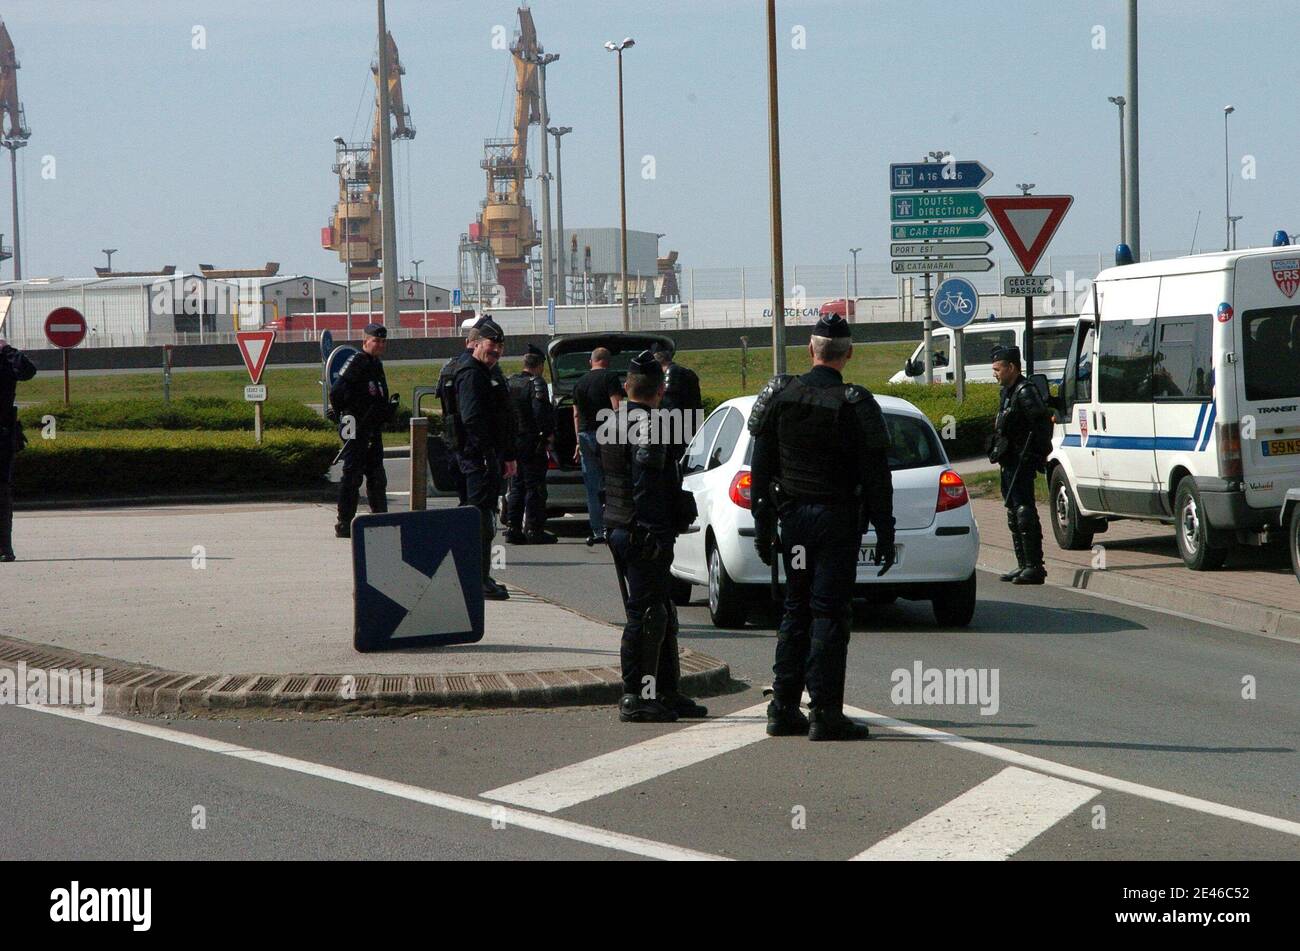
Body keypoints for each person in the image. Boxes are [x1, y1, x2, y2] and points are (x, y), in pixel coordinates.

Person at [749, 313, 895, 741]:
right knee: (829, 612)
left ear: (810, 350)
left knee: (796, 608)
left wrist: (762, 524)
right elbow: (876, 475)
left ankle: (783, 708)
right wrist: (884, 530)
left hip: (793, 522)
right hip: (836, 523)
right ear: (848, 354)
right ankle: (826, 712)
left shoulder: (780, 394)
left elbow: (759, 466)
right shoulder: (856, 402)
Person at [601, 351, 706, 723]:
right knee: (646, 615)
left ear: (628, 387)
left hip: (621, 525)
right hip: (641, 530)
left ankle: (665, 691)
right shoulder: (653, 425)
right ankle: (638, 695)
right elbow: (646, 483)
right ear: (660, 389)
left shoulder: (612, 422)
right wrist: (652, 529)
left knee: (660, 612)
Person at [451, 316, 516, 601]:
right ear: (476, 344)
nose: (497, 351)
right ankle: (477, 579)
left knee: (480, 519)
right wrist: (488, 454)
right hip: (477, 458)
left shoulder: (485, 370)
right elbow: (473, 419)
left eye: (500, 346)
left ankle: (477, 576)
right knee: (479, 520)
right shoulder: (471, 373)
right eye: (492, 345)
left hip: (485, 456)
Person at [990, 344, 1050, 585]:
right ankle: (1023, 563)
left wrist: (1036, 455)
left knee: (1024, 511)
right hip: (1009, 460)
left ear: (1012, 367)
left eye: (998, 368)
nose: (995, 373)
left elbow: (1042, 425)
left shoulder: (1025, 392)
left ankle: (1035, 566)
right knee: (1013, 512)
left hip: (1022, 461)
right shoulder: (1008, 392)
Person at [329, 323, 395, 539]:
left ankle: (380, 517)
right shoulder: (357, 361)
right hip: (357, 427)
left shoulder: (376, 364)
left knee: (377, 476)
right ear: (365, 341)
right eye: (376, 341)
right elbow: (338, 391)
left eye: (383, 342)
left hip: (372, 428)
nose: (380, 345)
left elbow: (378, 394)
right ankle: (345, 522)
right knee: (352, 475)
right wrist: (346, 414)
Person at [505, 343, 556, 545]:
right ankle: (534, 528)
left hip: (513, 440)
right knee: (534, 486)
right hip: (532, 440)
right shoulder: (537, 383)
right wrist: (548, 434)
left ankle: (513, 527)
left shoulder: (510, 382)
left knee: (516, 485)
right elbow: (540, 411)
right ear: (540, 365)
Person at [572, 347, 623, 547]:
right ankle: (614, 525)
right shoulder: (610, 378)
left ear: (590, 361)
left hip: (585, 435)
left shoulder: (579, 382)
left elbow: (575, 414)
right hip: (607, 435)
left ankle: (597, 530)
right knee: (613, 481)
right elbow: (617, 408)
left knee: (592, 486)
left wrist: (578, 441)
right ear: (607, 362)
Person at [0, 336, 37, 562]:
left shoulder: (6, 359)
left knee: (1, 492)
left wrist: (7, 350)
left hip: (2, 434)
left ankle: (4, 548)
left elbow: (28, 371)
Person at [654, 348, 703, 462]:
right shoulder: (689, 373)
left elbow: (669, 407)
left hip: (674, 430)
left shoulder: (671, 374)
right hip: (689, 425)